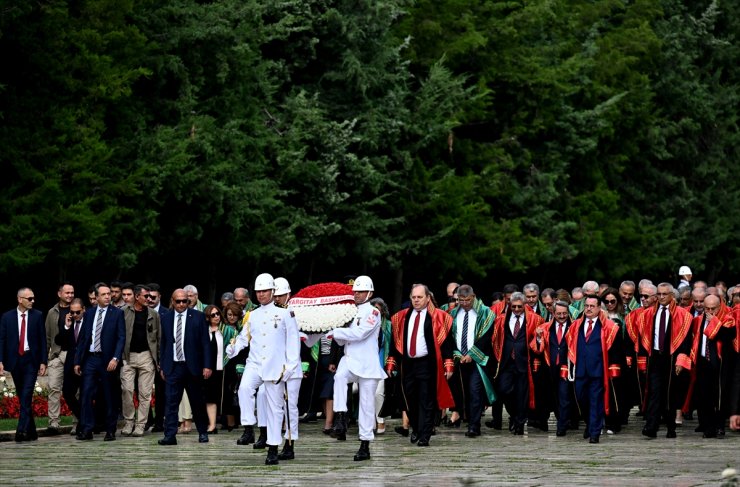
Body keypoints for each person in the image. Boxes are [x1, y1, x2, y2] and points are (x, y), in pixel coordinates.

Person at [226, 273, 300, 465]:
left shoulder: (285, 314)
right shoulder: (253, 315)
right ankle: (249, 426)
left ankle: (273, 447)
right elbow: (244, 337)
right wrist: (233, 348)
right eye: (258, 291)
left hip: (275, 365)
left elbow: (293, 341)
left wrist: (290, 365)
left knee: (275, 408)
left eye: (265, 291)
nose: (261, 295)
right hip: (255, 362)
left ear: (272, 291)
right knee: (244, 389)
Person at [387, 284, 455, 447]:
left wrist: (448, 363)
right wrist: (391, 362)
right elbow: (395, 341)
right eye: (414, 297)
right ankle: (416, 428)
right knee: (409, 399)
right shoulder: (401, 317)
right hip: (408, 363)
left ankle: (425, 434)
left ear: (427, 298)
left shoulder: (439, 317)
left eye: (420, 297)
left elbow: (446, 343)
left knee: (426, 399)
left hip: (427, 362)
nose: (416, 300)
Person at [329, 275, 387, 461]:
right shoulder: (349, 311)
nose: (357, 294)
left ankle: (365, 444)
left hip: (367, 364)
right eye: (355, 291)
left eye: (361, 292)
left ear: (369, 293)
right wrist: (336, 331)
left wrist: (337, 331)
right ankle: (340, 417)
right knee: (339, 377)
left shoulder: (373, 313)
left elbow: (359, 334)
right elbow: (342, 338)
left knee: (366, 406)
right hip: (350, 358)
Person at [637, 282, 693, 439]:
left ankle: (671, 427)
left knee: (671, 394)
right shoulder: (648, 314)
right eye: (659, 294)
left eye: (664, 294)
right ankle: (651, 427)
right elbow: (643, 339)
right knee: (654, 392)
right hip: (655, 357)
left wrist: (681, 360)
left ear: (672, 295)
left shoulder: (683, 315)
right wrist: (642, 361)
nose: (661, 297)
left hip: (673, 358)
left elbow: (687, 341)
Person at [157, 289, 212, 446]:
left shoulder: (198, 317)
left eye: (184, 301)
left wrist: (207, 365)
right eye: (178, 301)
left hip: (192, 366)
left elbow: (205, 343)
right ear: (172, 301)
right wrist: (163, 365)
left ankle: (202, 432)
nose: (181, 304)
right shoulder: (166, 318)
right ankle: (170, 435)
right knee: (171, 402)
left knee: (197, 401)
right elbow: (164, 343)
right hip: (173, 366)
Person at [565, 295, 622, 444]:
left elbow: (615, 351)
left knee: (596, 401)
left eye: (592, 306)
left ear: (598, 308)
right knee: (581, 399)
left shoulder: (609, 327)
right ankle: (590, 424)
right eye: (586, 306)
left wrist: (613, 369)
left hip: (598, 370)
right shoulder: (576, 325)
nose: (589, 309)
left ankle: (595, 433)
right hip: (580, 371)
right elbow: (568, 346)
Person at [74, 282, 126, 441]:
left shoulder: (117, 313)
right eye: (104, 294)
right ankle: (87, 429)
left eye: (109, 294)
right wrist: (77, 361)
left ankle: (110, 430)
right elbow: (83, 338)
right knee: (86, 393)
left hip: (107, 359)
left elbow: (121, 337)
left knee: (109, 395)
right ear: (96, 297)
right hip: (90, 358)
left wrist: (116, 358)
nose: (108, 296)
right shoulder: (89, 314)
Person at [490, 291, 542, 434]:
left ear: (525, 305)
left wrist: (537, 339)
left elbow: (539, 342)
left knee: (522, 393)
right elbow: (496, 339)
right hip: (506, 362)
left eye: (519, 307)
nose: (517, 310)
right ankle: (514, 415)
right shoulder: (501, 319)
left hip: (524, 362)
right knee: (503, 390)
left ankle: (519, 423)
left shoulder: (535, 319)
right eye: (514, 307)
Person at [0, 288, 47, 442]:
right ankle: (32, 432)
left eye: (33, 298)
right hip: (15, 361)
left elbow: (42, 340)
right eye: (29, 298)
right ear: (20, 299)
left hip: (30, 360)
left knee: (26, 395)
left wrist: (43, 361)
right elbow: (2, 340)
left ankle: (20, 432)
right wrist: (0, 360)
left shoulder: (38, 315)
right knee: (23, 397)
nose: (33, 301)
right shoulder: (7, 317)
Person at [447, 285, 495, 438]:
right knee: (463, 392)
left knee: (475, 391)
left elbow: (486, 337)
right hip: (459, 359)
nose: (465, 303)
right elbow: (450, 337)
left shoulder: (486, 313)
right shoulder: (453, 314)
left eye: (468, 300)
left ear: (474, 296)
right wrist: (457, 354)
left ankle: (474, 426)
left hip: (478, 360)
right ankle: (466, 417)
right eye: (461, 300)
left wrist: (471, 354)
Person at [688, 295, 735, 438]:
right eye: (706, 308)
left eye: (712, 309)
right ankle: (707, 427)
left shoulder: (728, 318)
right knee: (703, 396)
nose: (709, 311)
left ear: (719, 306)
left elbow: (728, 336)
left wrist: (714, 322)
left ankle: (720, 427)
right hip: (703, 361)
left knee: (719, 397)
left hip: (720, 363)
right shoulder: (699, 319)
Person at [120, 284, 161, 437]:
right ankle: (129, 421)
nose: (149, 299)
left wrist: (158, 360)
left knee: (145, 393)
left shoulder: (153, 314)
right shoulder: (124, 312)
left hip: (146, 356)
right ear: (137, 297)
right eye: (146, 296)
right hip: (128, 356)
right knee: (127, 390)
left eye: (151, 297)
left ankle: (141, 424)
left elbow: (158, 338)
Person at [531, 301, 576, 436]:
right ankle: (543, 421)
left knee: (564, 397)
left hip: (566, 367)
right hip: (548, 368)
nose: (562, 316)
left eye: (564, 313)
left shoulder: (574, 327)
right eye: (559, 314)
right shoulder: (544, 328)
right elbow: (536, 349)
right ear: (553, 313)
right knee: (547, 397)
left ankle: (561, 426)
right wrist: (539, 338)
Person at [44, 282, 74, 434]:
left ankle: (77, 421)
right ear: (59, 294)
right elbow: (48, 337)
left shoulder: (78, 309)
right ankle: (53, 423)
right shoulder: (52, 312)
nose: (70, 295)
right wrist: (46, 358)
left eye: (72, 293)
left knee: (75, 390)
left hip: (73, 354)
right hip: (56, 354)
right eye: (67, 293)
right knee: (53, 388)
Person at [203, 304, 226, 434]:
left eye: (218, 314)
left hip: (221, 368)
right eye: (213, 315)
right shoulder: (204, 331)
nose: (216, 317)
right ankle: (210, 424)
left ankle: (218, 423)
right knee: (208, 397)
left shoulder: (225, 330)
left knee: (217, 397)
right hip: (206, 369)